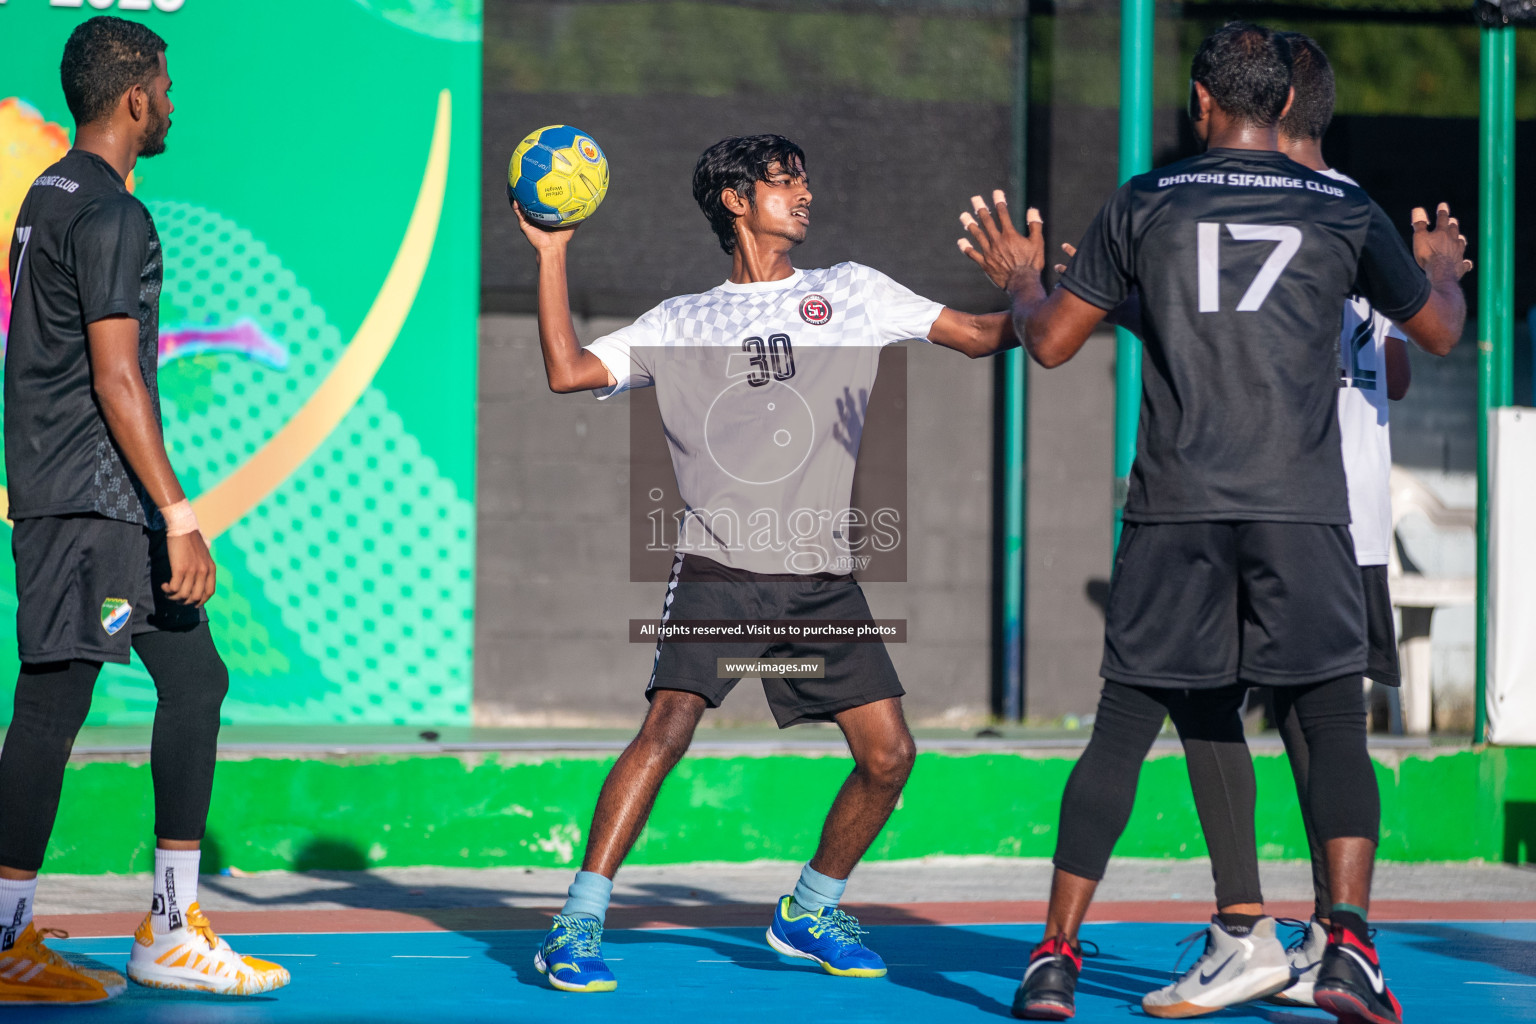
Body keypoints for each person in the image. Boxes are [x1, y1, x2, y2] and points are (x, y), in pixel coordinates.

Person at [956, 21, 1466, 1024]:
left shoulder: (1145, 200)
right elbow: (1435, 332)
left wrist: (1023, 286)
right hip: (1302, 509)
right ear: (1282, 105)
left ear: (1199, 103)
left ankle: (1056, 956)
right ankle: (1347, 948)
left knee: (1125, 726)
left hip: (1177, 505)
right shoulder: (1343, 208)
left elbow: (1053, 343)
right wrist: (1442, 267)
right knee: (1329, 723)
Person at [511, 133, 1019, 992]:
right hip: (719, 570)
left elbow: (978, 334)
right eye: (783, 181)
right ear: (736, 201)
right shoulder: (680, 320)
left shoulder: (849, 292)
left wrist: (1041, 293)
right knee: (666, 731)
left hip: (821, 583)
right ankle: (575, 924)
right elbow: (565, 371)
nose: (804, 193)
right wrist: (553, 253)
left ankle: (809, 909)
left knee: (889, 757)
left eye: (805, 180)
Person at [0, 17, 291, 1002]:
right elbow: (117, 376)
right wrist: (177, 511)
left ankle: (170, 924)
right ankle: (10, 940)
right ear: (135, 97)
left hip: (72, 498)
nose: (173, 103)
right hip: (96, 507)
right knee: (53, 701)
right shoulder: (116, 214)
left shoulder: (47, 197)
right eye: (166, 86)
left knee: (194, 677)